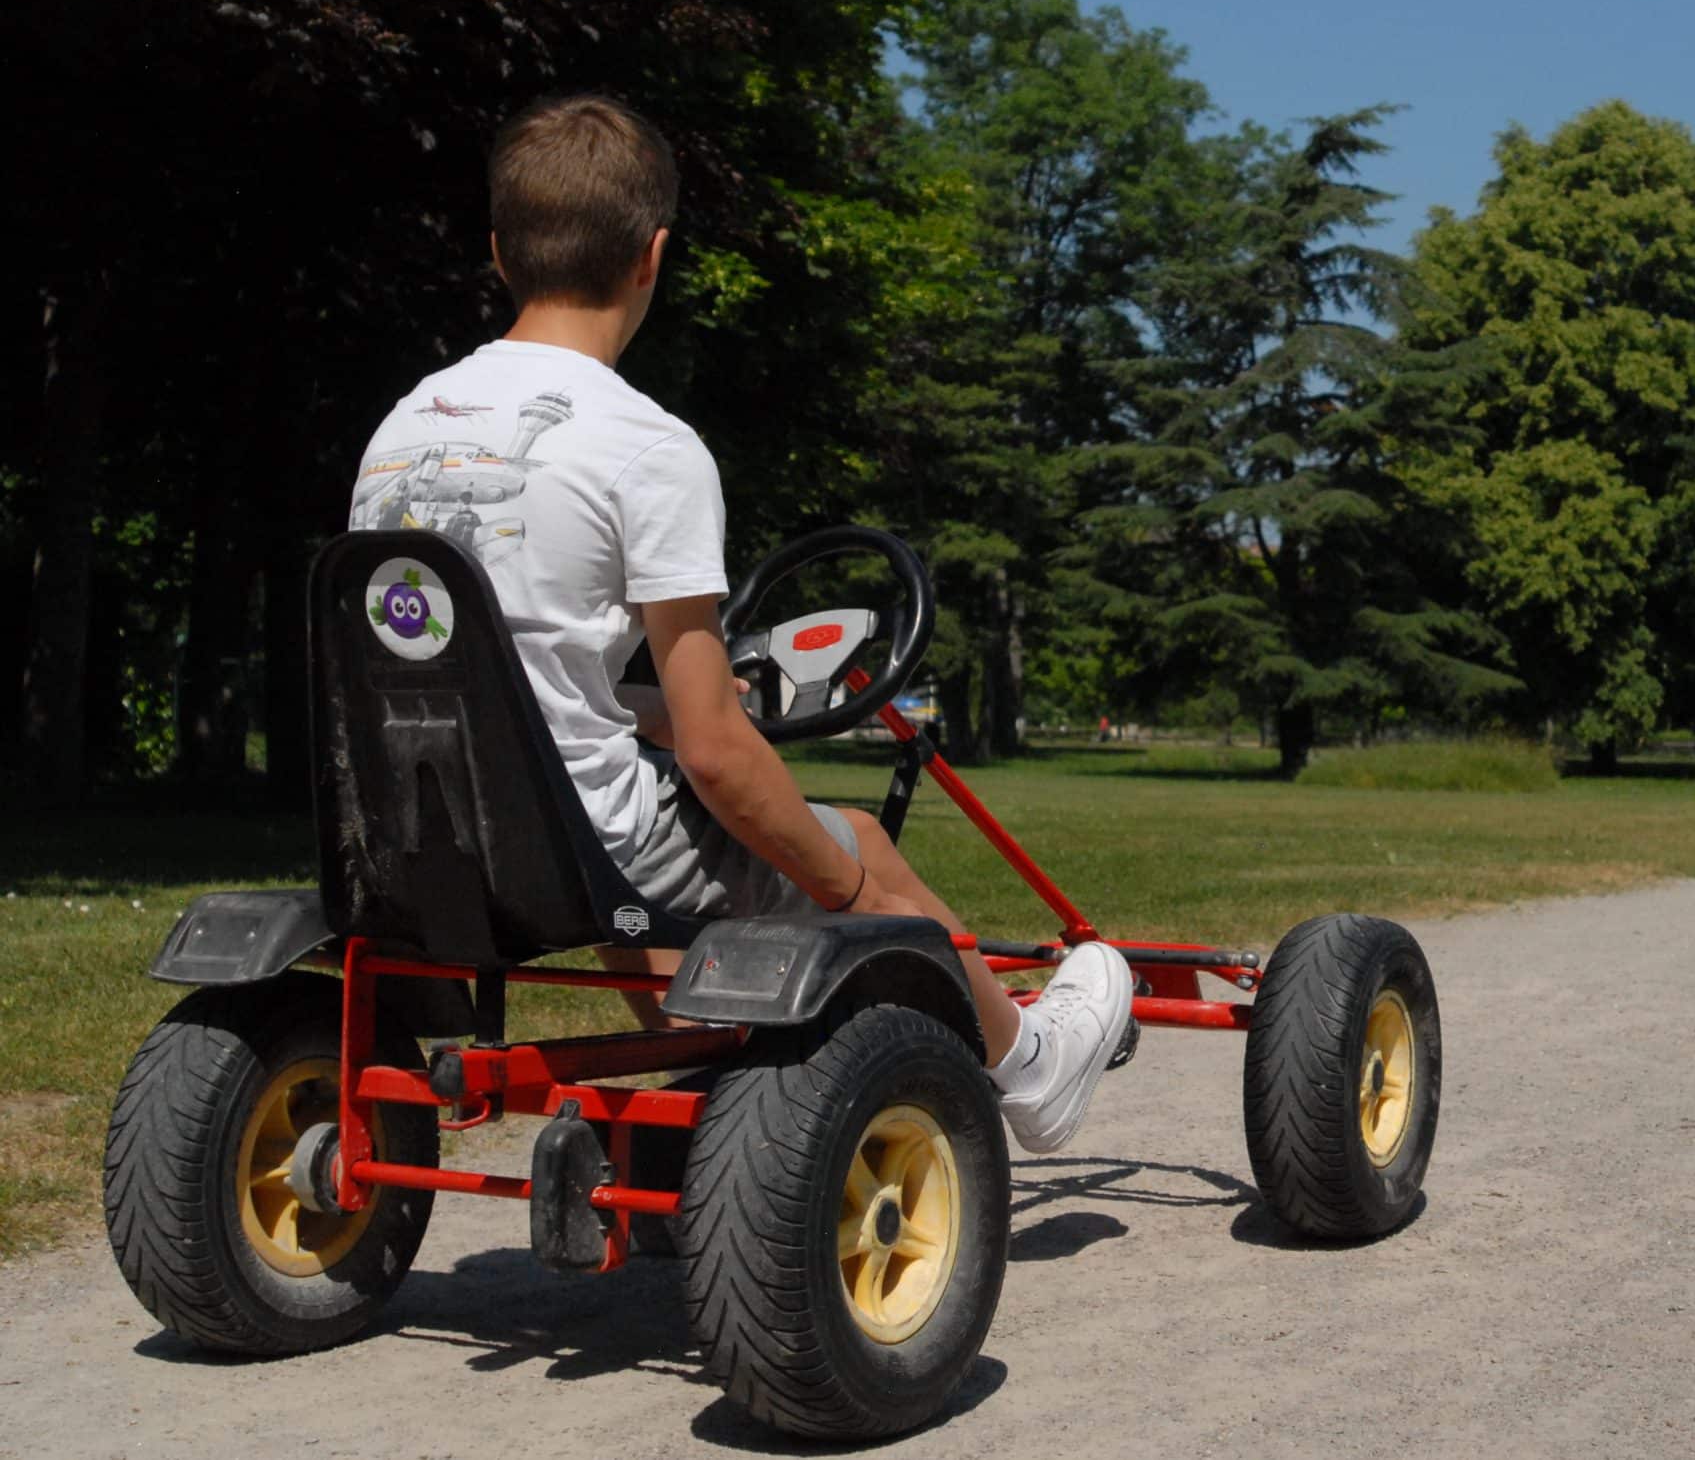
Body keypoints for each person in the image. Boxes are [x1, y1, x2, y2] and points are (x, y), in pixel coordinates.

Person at [348, 94, 1131, 1154]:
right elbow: (718, 750)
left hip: (400, 843)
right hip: (571, 859)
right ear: (652, 256)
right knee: (845, 838)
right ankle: (1033, 1063)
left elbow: (501, 670)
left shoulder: (402, 426)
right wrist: (842, 878)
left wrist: (634, 716)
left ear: (500, 253)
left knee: (624, 791)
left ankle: (704, 1068)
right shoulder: (644, 444)